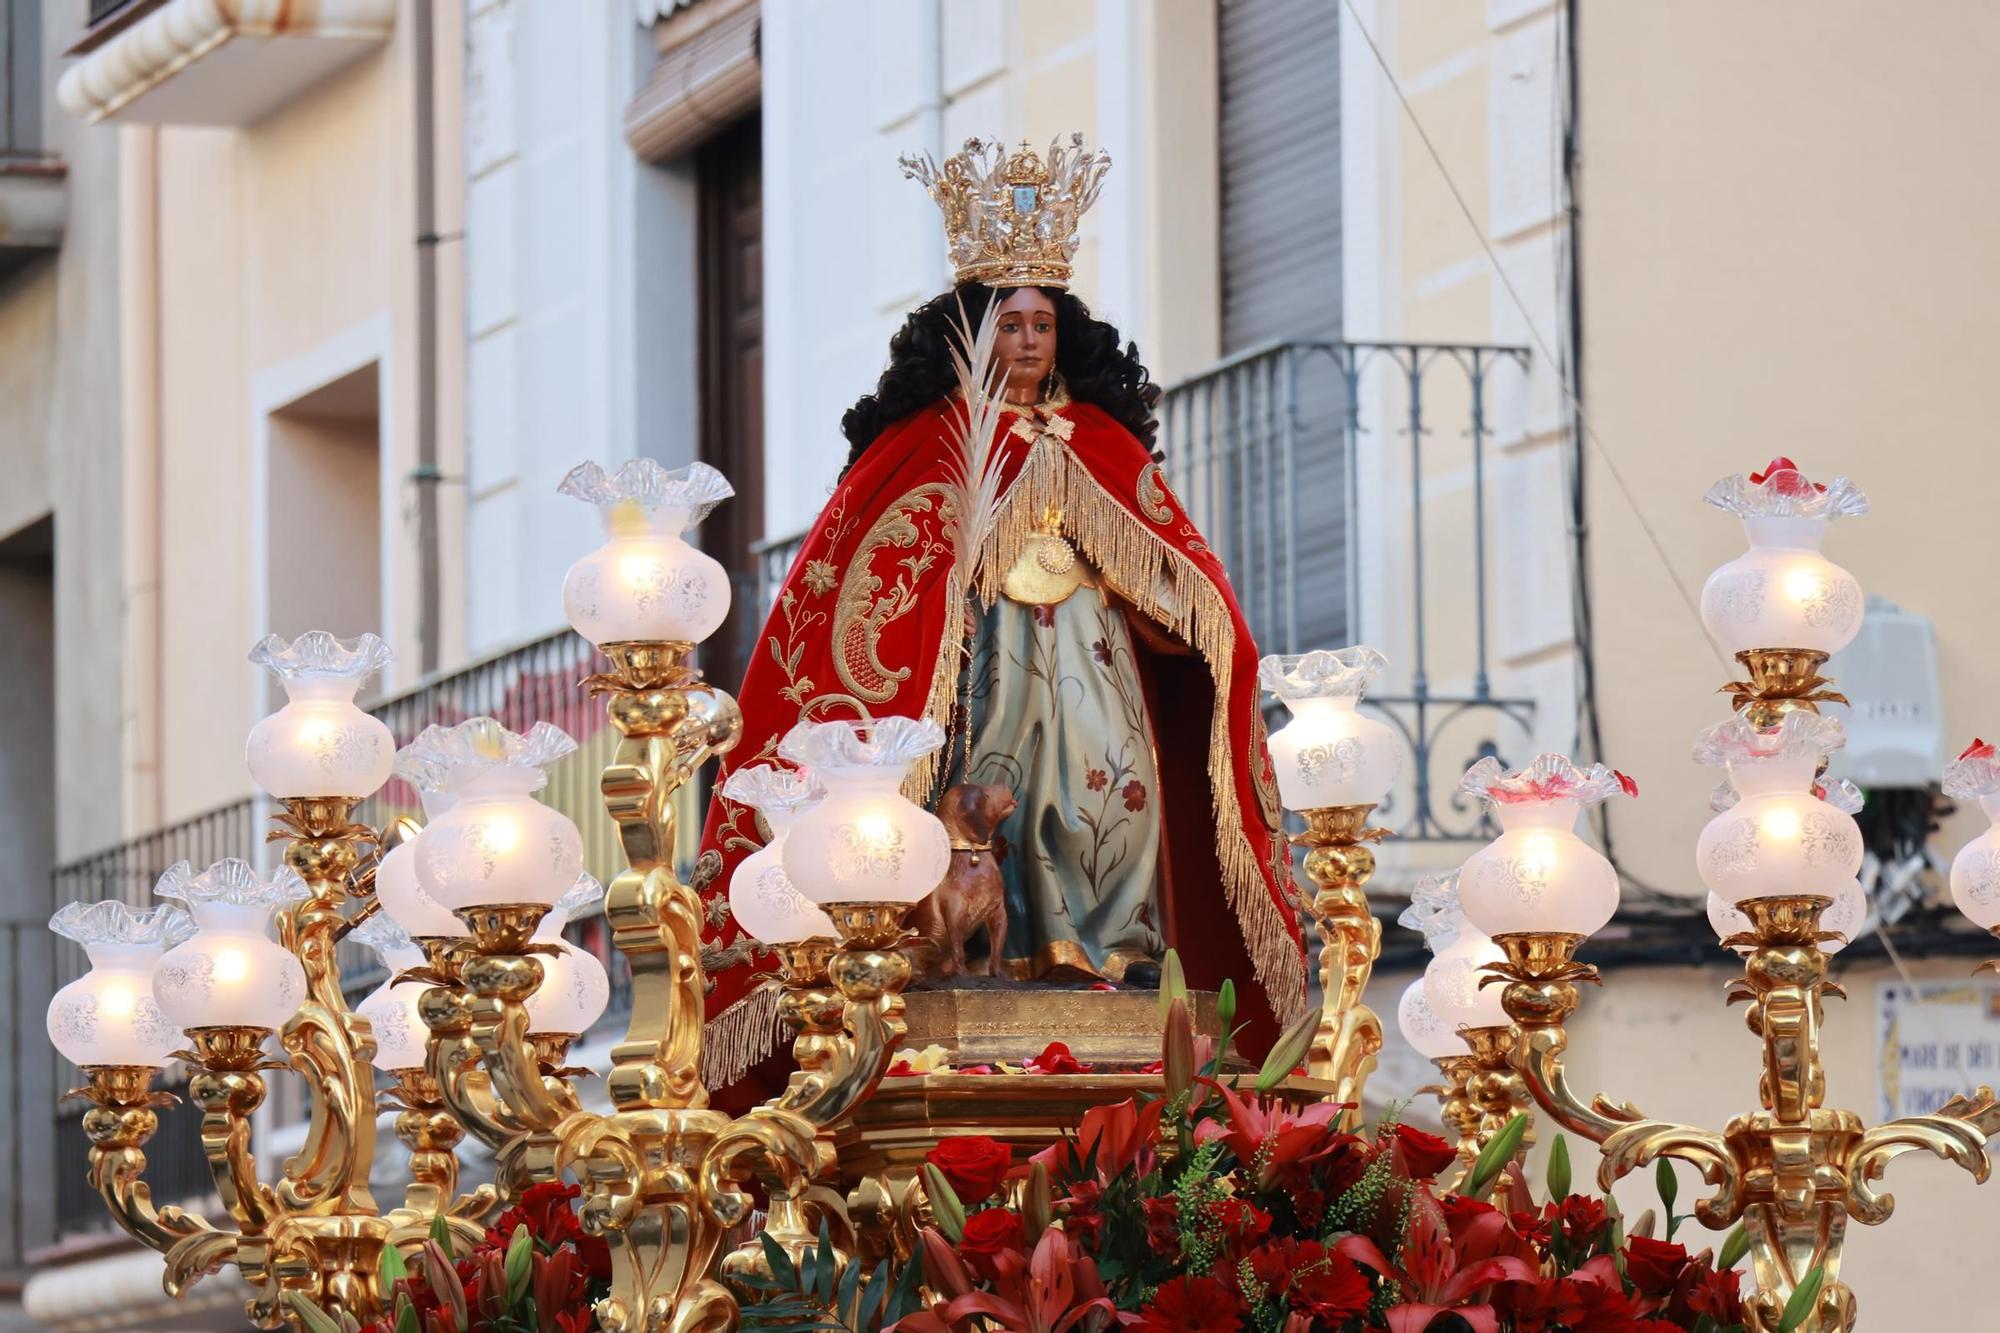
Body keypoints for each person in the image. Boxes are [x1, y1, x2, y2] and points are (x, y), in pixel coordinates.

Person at [695, 136, 1305, 1089]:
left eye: (1042, 324)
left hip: (1095, 653)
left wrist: (1175, 609)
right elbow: (871, 581)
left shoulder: (1100, 441)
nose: (1027, 341)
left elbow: (1183, 574)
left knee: (1114, 787)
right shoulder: (925, 443)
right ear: (975, 330)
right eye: (1009, 323)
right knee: (993, 792)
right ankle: (989, 952)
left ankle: (1106, 952)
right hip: (990, 658)